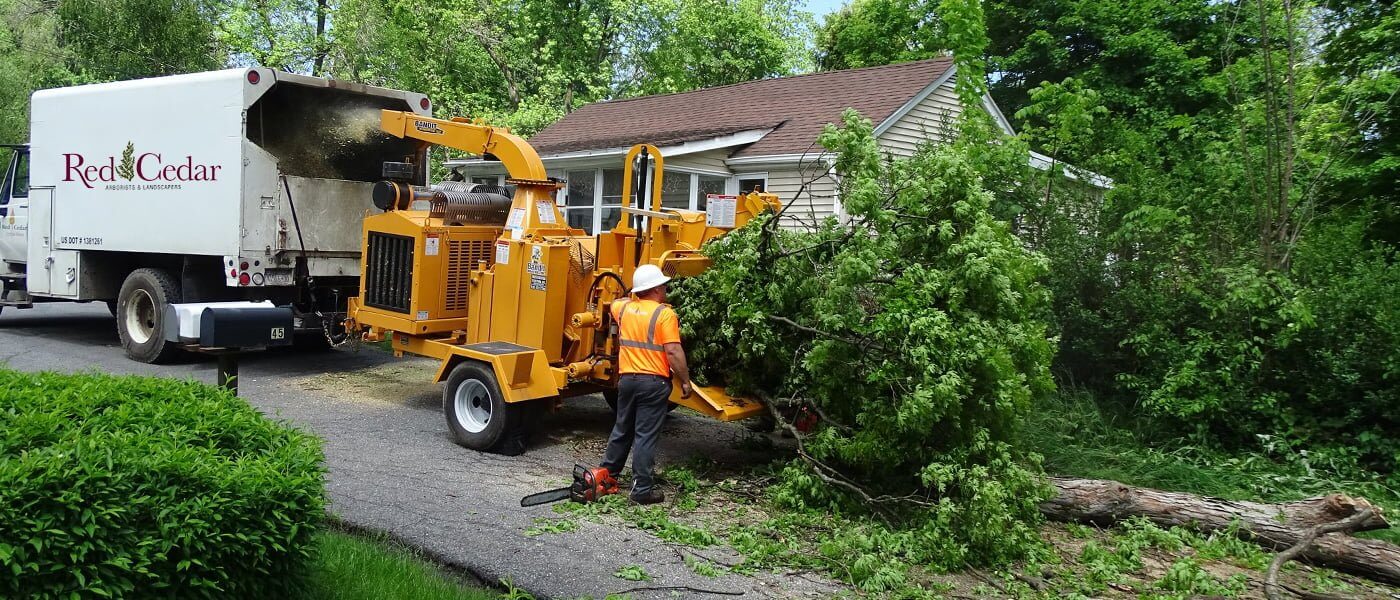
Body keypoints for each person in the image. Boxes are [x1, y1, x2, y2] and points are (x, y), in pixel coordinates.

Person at [600, 263, 693, 505]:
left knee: (622, 429)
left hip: (628, 381)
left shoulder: (623, 310)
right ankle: (641, 489)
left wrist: (635, 291)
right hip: (652, 383)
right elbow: (673, 351)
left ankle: (606, 477)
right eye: (662, 284)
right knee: (644, 436)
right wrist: (685, 380)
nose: (665, 288)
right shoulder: (664, 314)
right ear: (654, 289)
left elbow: (616, 301)